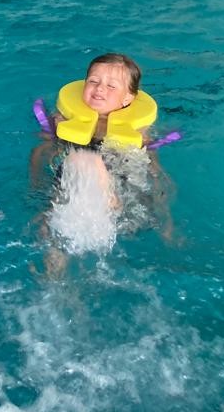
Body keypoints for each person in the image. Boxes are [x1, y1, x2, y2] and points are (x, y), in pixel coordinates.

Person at [29, 53, 174, 275]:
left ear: (128, 98)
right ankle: (53, 277)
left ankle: (111, 202)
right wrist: (37, 186)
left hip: (118, 181)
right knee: (51, 226)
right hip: (72, 178)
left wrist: (166, 219)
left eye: (111, 86)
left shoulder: (139, 132)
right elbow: (42, 152)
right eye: (93, 81)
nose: (99, 89)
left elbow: (153, 170)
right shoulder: (63, 119)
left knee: (85, 162)